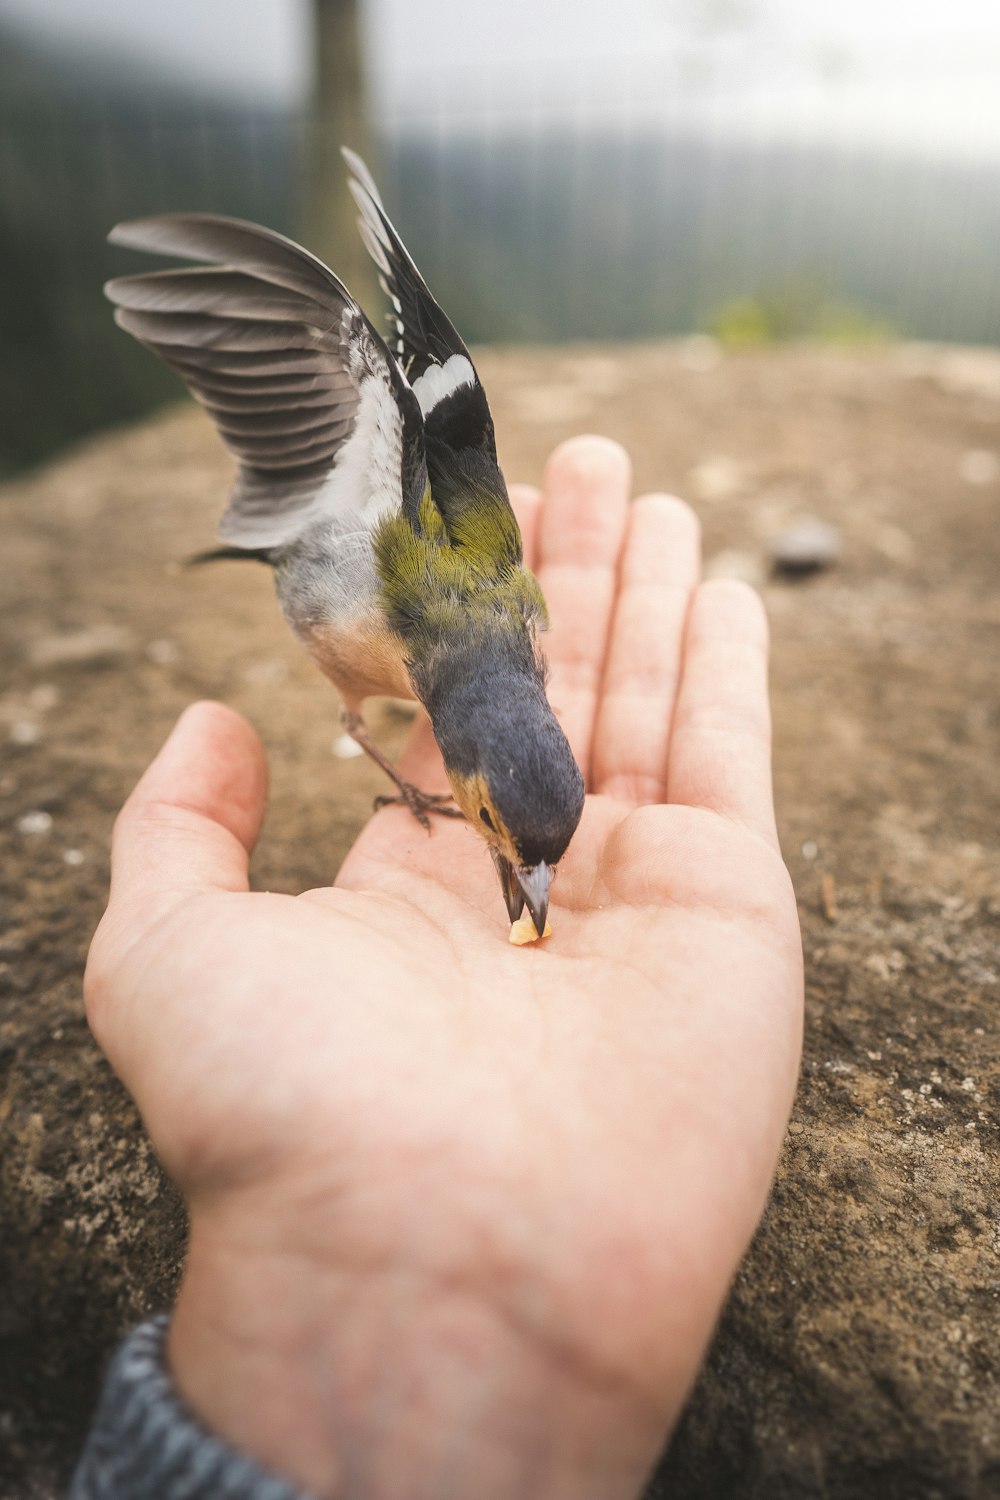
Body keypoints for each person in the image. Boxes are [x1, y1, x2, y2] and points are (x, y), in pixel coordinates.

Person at [71, 438, 803, 1499]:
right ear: (466, 775)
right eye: (504, 832)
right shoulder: (415, 648)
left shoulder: (517, 653)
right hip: (349, 584)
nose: (522, 879)